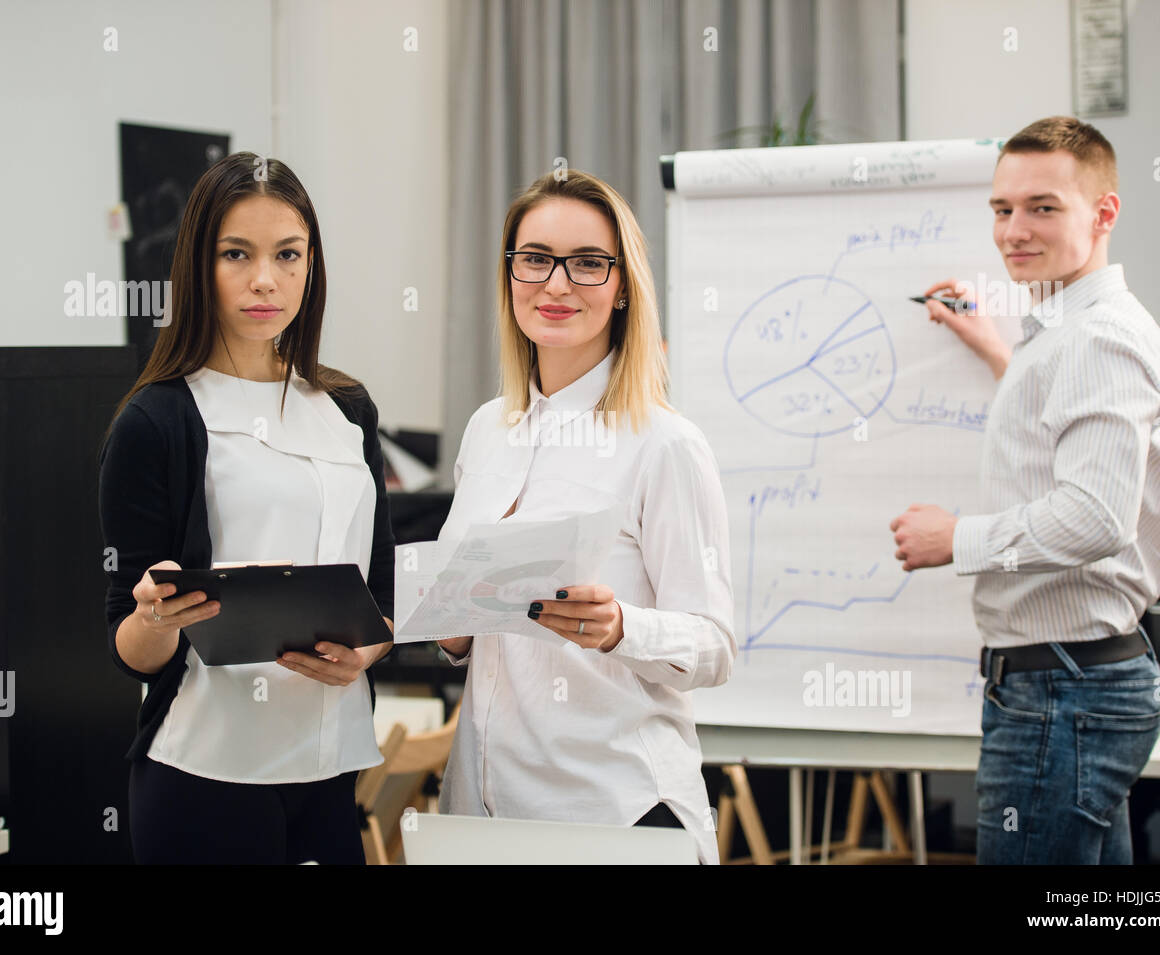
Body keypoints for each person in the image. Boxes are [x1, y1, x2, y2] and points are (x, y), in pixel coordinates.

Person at [890, 117, 1160, 864]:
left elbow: (1095, 517)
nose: (1013, 231)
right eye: (1002, 209)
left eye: (1043, 208)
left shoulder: (1095, 339)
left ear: (1104, 213)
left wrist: (953, 539)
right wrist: (995, 346)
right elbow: (1058, 430)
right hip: (1072, 684)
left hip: (1064, 693)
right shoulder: (1068, 331)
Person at [98, 152, 394, 864]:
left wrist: (369, 646)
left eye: (287, 254)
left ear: (311, 264)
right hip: (205, 773)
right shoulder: (156, 420)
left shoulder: (348, 409)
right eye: (237, 254)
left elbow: (382, 596)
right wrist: (154, 617)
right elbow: (129, 648)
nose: (266, 278)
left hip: (330, 766)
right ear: (199, 265)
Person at [434, 170, 736, 864]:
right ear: (510, 274)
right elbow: (469, 630)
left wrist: (621, 627)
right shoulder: (488, 431)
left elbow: (715, 645)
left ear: (623, 284)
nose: (557, 284)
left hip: (614, 815)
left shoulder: (665, 444)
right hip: (481, 815)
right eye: (535, 258)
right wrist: (447, 628)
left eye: (589, 263)